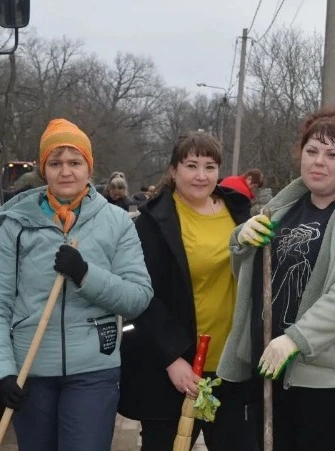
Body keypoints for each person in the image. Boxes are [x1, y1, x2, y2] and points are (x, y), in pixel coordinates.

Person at [217, 108, 335, 451]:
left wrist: (295, 339)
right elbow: (250, 285)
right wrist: (241, 243)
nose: (319, 162)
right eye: (312, 151)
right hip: (269, 370)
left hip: (328, 381)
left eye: (332, 154)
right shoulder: (281, 209)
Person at [0, 118, 154, 450]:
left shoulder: (117, 222)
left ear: (89, 168)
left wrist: (86, 275)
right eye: (55, 163)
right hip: (29, 373)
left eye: (75, 162)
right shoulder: (16, 226)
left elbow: (138, 297)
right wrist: (0, 372)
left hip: (93, 373)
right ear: (44, 169)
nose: (65, 171)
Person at [118, 131, 258, 450]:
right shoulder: (153, 223)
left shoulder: (238, 213)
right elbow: (143, 297)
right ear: (173, 171)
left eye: (210, 166)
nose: (200, 175)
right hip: (178, 370)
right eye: (191, 165)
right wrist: (172, 359)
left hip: (232, 367)